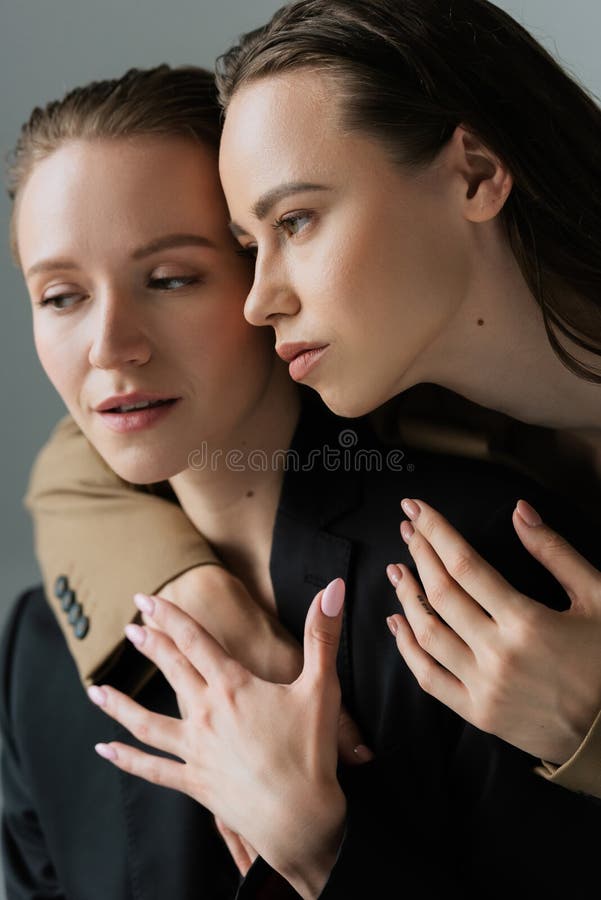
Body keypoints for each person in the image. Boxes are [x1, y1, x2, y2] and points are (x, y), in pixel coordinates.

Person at [6, 59, 601, 900]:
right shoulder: (39, 649)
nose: (110, 345)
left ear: (264, 276)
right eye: (60, 296)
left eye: (172, 278)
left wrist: (321, 849)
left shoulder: (485, 574)